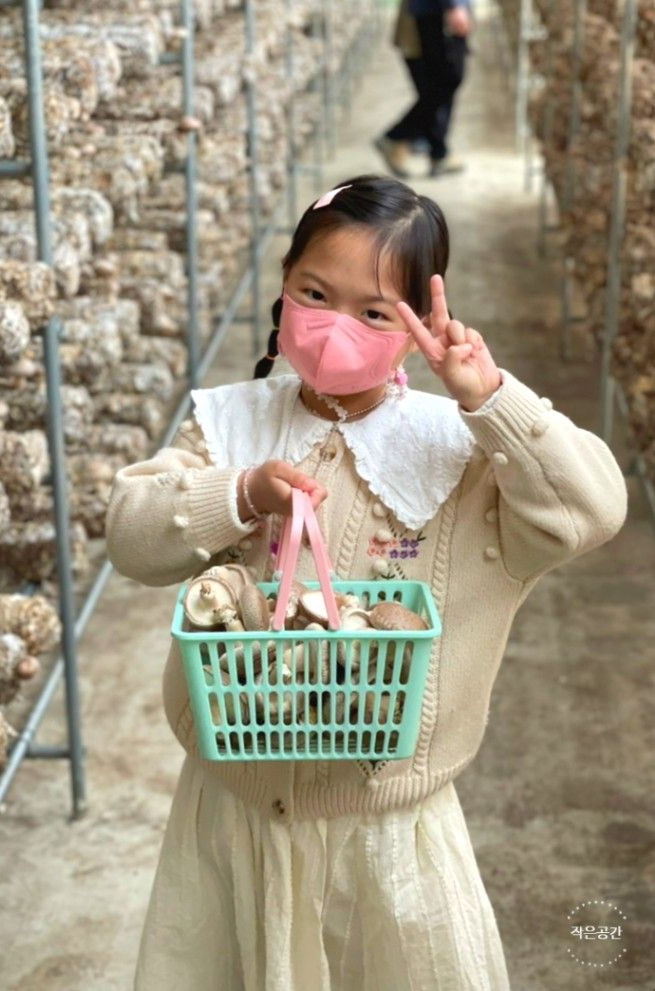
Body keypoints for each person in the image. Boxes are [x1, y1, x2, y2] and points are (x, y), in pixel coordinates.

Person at [106, 175, 628, 990]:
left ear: (419, 324)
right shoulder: (230, 423)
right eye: (314, 293)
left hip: (384, 831)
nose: (334, 326)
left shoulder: (456, 453)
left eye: (374, 311)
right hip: (232, 808)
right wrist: (239, 495)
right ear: (282, 290)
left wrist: (490, 400)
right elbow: (131, 536)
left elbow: (591, 510)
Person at [375, 0, 473, 178]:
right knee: (447, 78)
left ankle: (438, 152)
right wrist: (455, 4)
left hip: (431, 9)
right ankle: (396, 136)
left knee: (438, 81)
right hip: (435, 10)